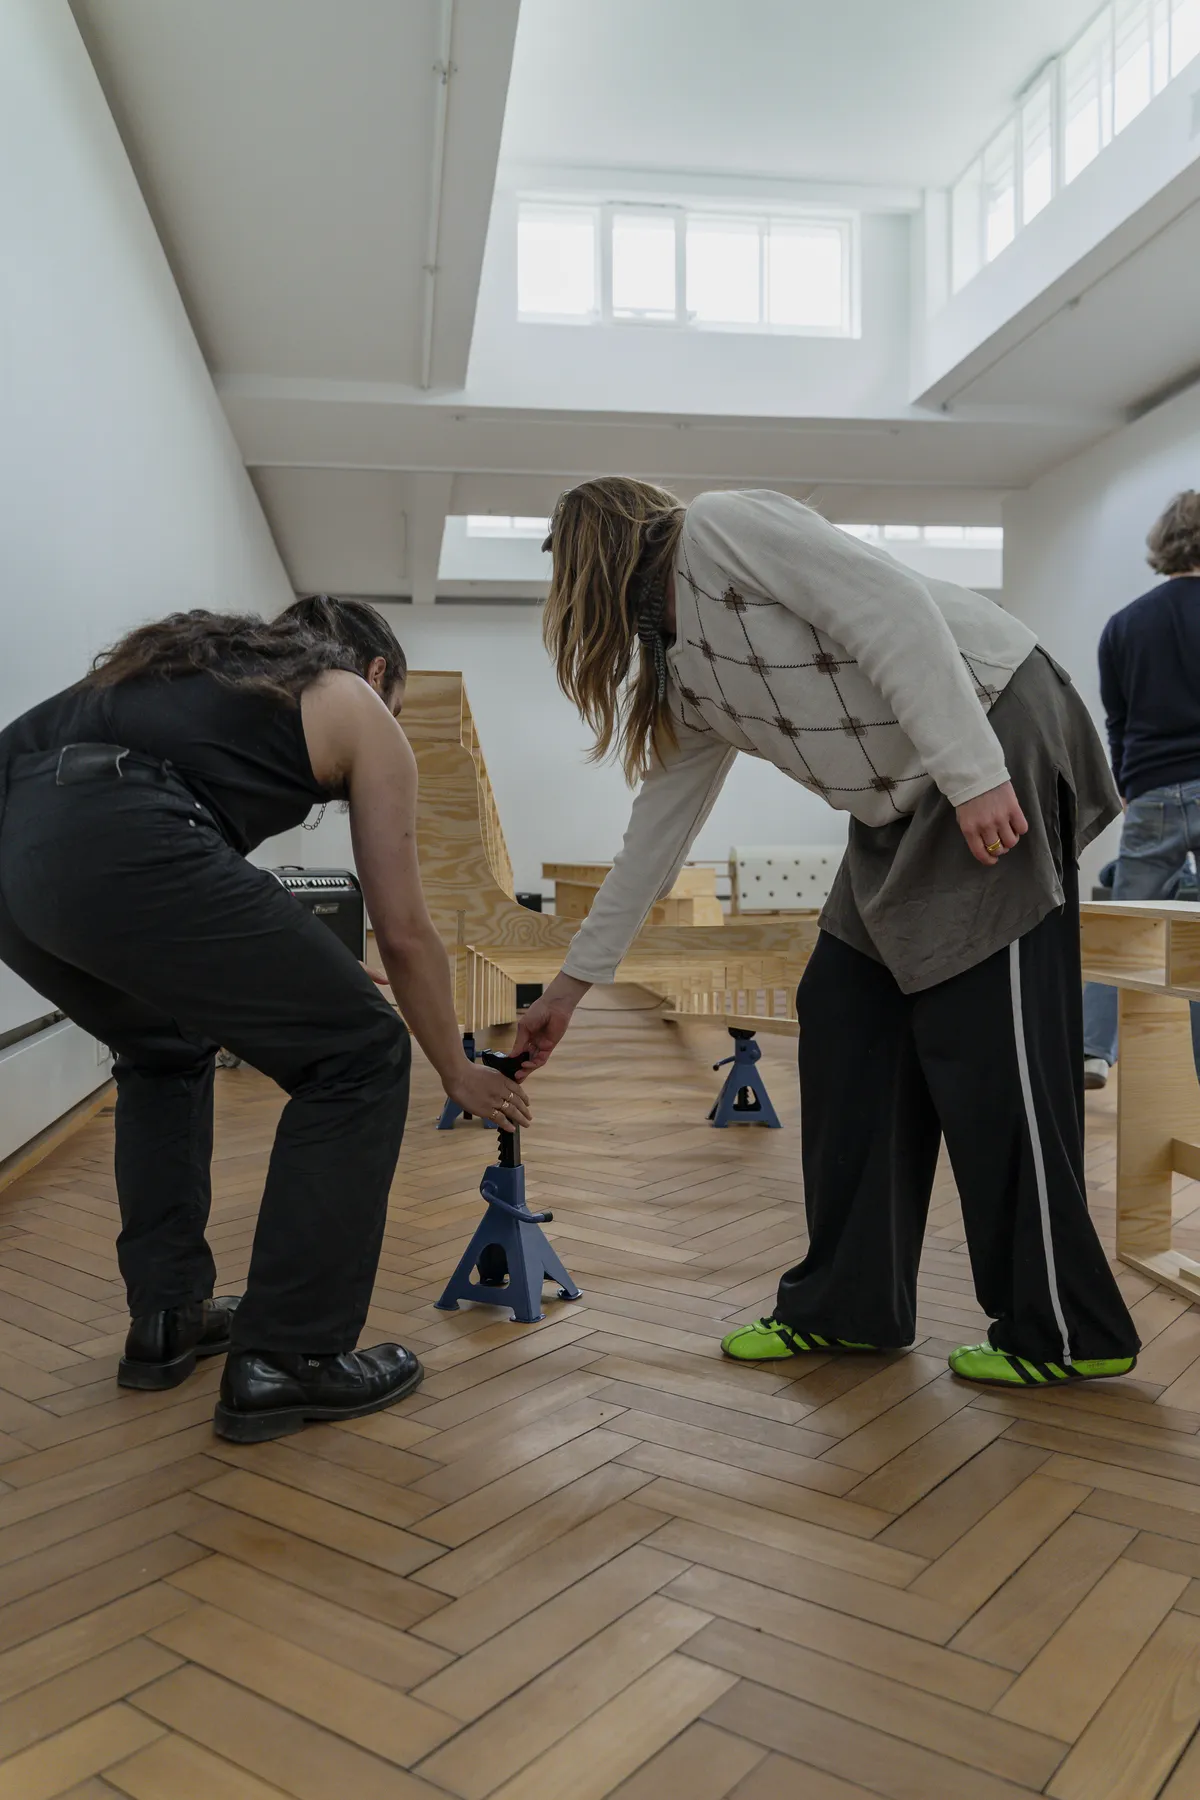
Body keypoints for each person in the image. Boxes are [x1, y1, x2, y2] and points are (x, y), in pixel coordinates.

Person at [516, 480, 1139, 1387]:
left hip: (989, 724)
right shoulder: (683, 674)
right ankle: (849, 1307)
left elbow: (892, 607)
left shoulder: (723, 527)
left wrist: (974, 774)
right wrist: (569, 989)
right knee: (846, 1016)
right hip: (899, 806)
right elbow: (660, 829)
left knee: (988, 1049)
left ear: (595, 552)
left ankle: (1070, 1329)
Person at [0, 596, 529, 1442]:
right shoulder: (353, 700)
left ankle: (167, 1318)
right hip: (125, 839)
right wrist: (457, 1067)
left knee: (164, 1048)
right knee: (361, 1054)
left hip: (16, 870)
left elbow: (144, 847)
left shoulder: (174, 674)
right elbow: (404, 930)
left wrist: (294, 966)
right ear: (381, 673)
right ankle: (290, 1358)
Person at [1082, 491, 1200, 1091]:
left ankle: (1093, 1049)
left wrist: (1129, 781)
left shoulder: (1125, 623)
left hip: (1153, 788)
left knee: (1126, 920)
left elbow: (1117, 719)